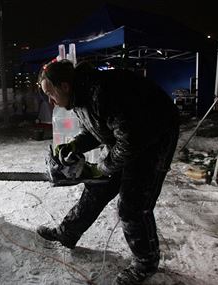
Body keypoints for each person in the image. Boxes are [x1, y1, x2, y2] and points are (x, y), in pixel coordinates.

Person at [36, 60, 179, 285]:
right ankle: (68, 233)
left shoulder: (101, 92)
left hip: (155, 138)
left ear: (64, 86)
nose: (50, 101)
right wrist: (75, 145)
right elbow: (98, 131)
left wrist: (102, 166)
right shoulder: (79, 97)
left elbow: (131, 141)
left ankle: (145, 262)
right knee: (98, 187)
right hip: (129, 135)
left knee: (132, 204)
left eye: (50, 93)